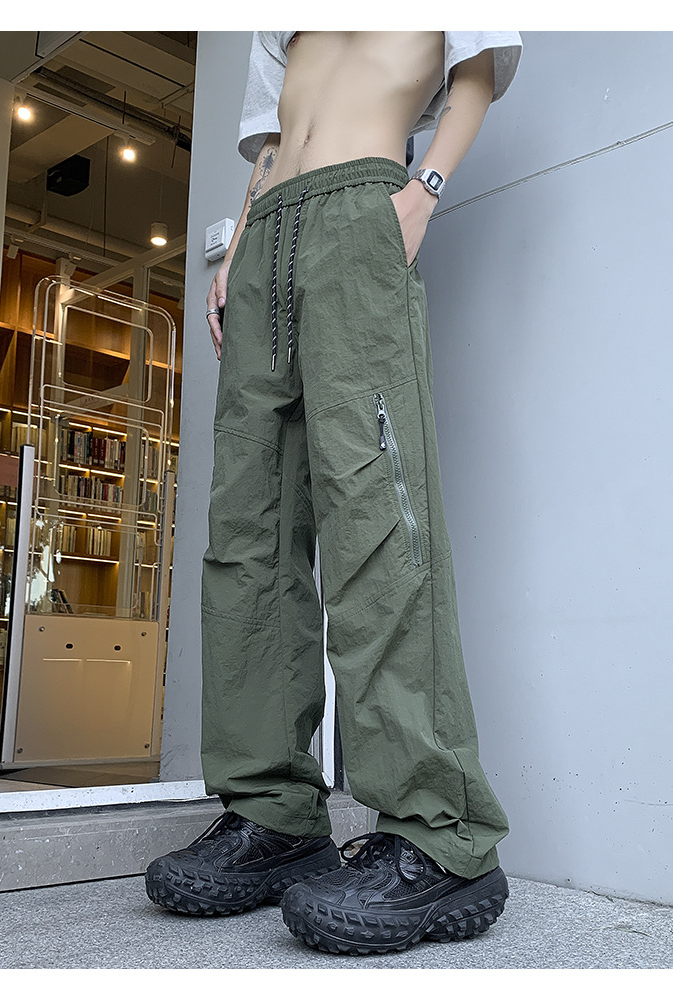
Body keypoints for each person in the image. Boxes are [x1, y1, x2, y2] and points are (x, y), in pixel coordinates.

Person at [145, 30, 523, 956]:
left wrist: (422, 192)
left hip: (363, 209)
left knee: (377, 518)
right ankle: (272, 811)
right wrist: (240, 244)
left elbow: (476, 70)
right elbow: (274, 135)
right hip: (267, 234)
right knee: (247, 529)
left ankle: (440, 832)